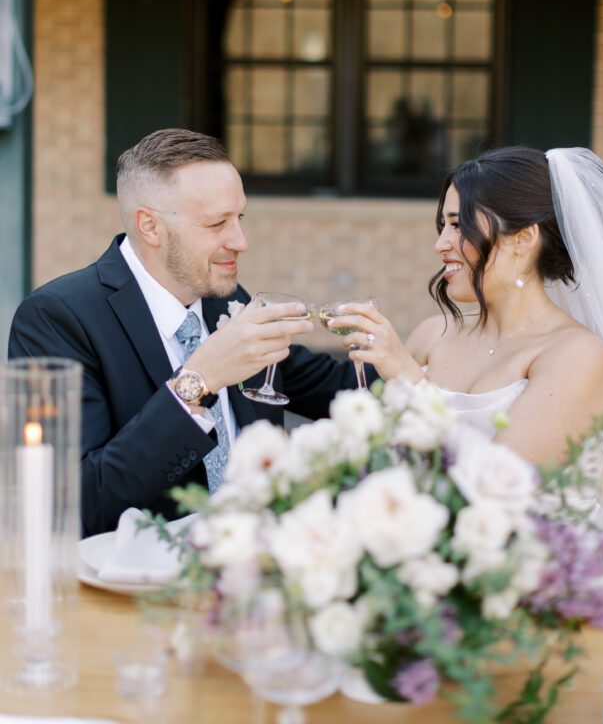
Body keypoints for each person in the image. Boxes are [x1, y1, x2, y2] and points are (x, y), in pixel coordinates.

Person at [331, 146, 603, 568]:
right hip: (424, 563)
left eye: (458, 226)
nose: (441, 243)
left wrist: (407, 377)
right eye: (442, 225)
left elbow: (495, 490)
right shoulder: (434, 333)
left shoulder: (577, 355)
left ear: (523, 239)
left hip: (542, 579)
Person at [8, 129, 365, 537]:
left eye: (239, 218)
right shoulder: (58, 318)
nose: (240, 241)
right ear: (151, 227)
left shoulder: (227, 301)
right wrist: (196, 384)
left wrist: (406, 361)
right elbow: (73, 505)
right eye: (217, 223)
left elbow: (332, 387)